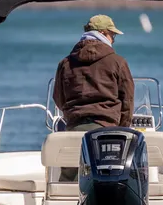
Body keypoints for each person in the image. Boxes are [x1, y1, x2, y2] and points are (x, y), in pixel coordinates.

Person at [53, 14, 135, 180]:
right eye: (113, 35)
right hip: (107, 131)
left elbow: (58, 98)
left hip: (73, 128)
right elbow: (127, 101)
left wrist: (71, 117)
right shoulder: (118, 62)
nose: (113, 39)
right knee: (107, 177)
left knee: (69, 178)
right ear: (103, 33)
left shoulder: (66, 63)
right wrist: (122, 129)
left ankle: (65, 202)